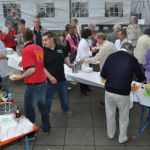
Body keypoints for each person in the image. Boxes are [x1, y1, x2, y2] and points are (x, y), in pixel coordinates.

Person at [100, 42, 146, 144]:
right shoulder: (132, 59)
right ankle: (122, 138)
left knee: (110, 114)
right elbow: (141, 77)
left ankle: (111, 134)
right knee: (124, 117)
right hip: (123, 93)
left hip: (109, 91)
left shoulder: (111, 56)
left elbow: (103, 74)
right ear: (130, 50)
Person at [10, 28, 50, 136]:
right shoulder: (39, 48)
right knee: (43, 107)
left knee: (29, 110)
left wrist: (19, 77)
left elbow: (32, 69)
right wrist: (24, 61)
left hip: (33, 86)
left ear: (23, 39)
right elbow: (38, 62)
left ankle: (31, 133)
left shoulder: (26, 50)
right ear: (33, 37)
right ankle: (47, 129)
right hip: (42, 83)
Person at [42, 31, 73, 117]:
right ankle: (47, 112)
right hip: (49, 81)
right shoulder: (42, 51)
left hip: (62, 79)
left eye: (46, 40)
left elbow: (66, 56)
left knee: (64, 97)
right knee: (48, 98)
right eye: (43, 40)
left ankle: (65, 110)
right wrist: (50, 77)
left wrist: (69, 64)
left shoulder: (61, 48)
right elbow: (42, 67)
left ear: (52, 39)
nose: (44, 42)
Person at [76, 28, 94, 95]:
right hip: (82, 61)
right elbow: (83, 56)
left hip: (86, 60)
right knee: (83, 76)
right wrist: (91, 52)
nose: (91, 35)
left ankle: (87, 87)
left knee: (87, 75)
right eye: (90, 34)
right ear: (88, 35)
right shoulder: (82, 43)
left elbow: (89, 46)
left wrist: (92, 48)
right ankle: (83, 90)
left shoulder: (86, 41)